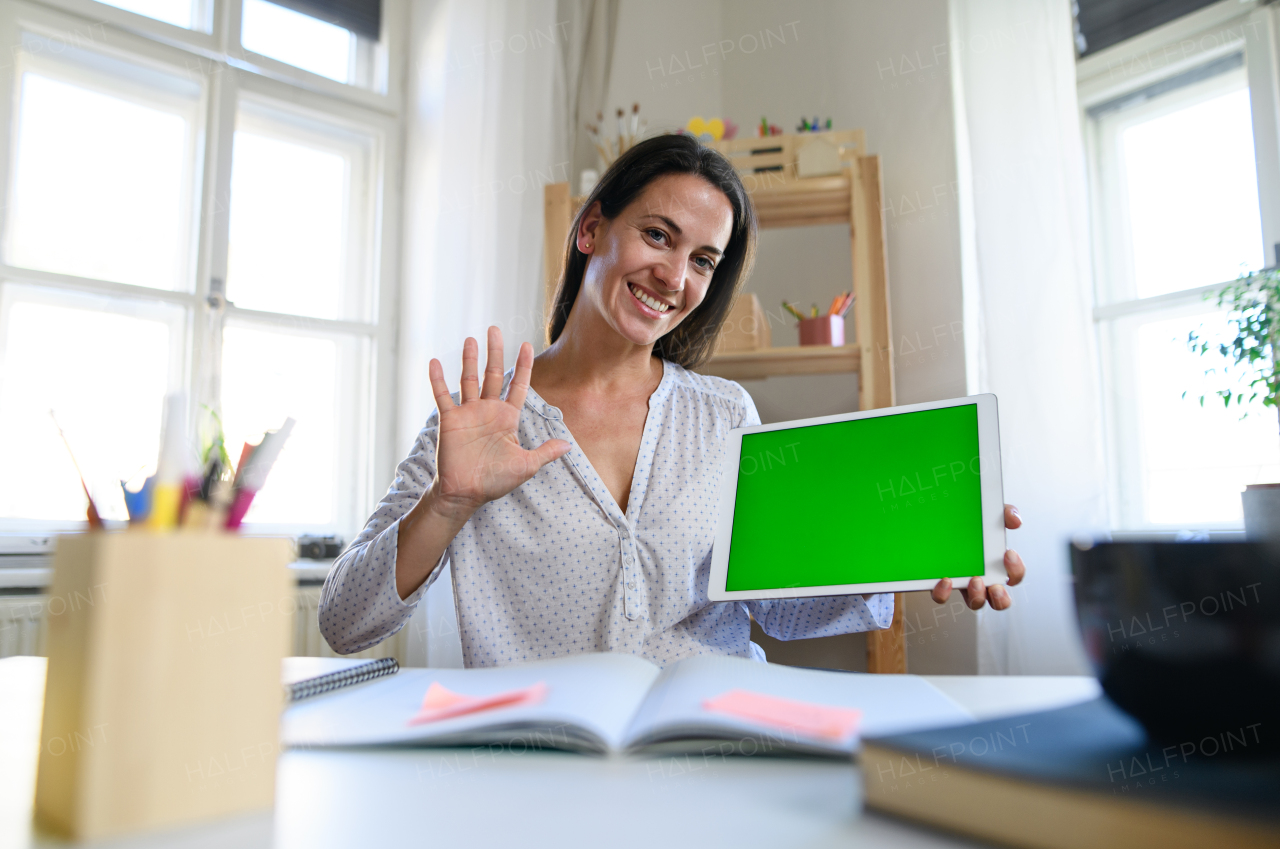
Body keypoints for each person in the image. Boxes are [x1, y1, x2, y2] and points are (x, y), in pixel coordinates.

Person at [319, 134, 1026, 667]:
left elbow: (779, 604)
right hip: (542, 772)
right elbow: (344, 622)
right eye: (658, 234)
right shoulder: (479, 425)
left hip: (714, 752)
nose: (675, 275)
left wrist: (920, 550)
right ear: (592, 229)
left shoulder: (723, 416)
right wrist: (447, 502)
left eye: (702, 261)